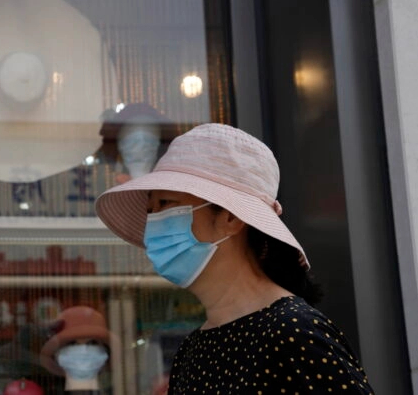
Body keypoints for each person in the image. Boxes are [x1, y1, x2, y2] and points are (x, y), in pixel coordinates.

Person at [94, 123, 374, 394]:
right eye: (151, 210)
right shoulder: (195, 349)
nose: (153, 222)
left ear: (231, 217)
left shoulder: (292, 332)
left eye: (166, 204)